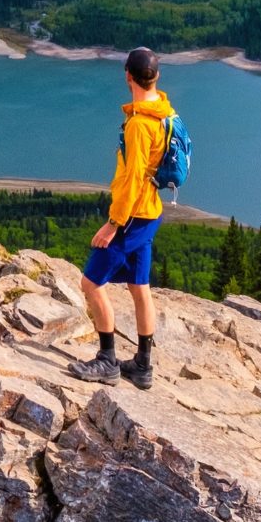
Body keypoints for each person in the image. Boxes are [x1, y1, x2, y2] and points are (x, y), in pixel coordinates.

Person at [72, 46, 175, 390]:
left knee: (91, 284)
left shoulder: (139, 126)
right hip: (151, 214)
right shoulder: (163, 111)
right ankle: (143, 365)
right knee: (139, 286)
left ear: (128, 76)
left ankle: (107, 360)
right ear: (155, 77)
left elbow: (132, 179)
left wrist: (113, 224)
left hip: (131, 217)